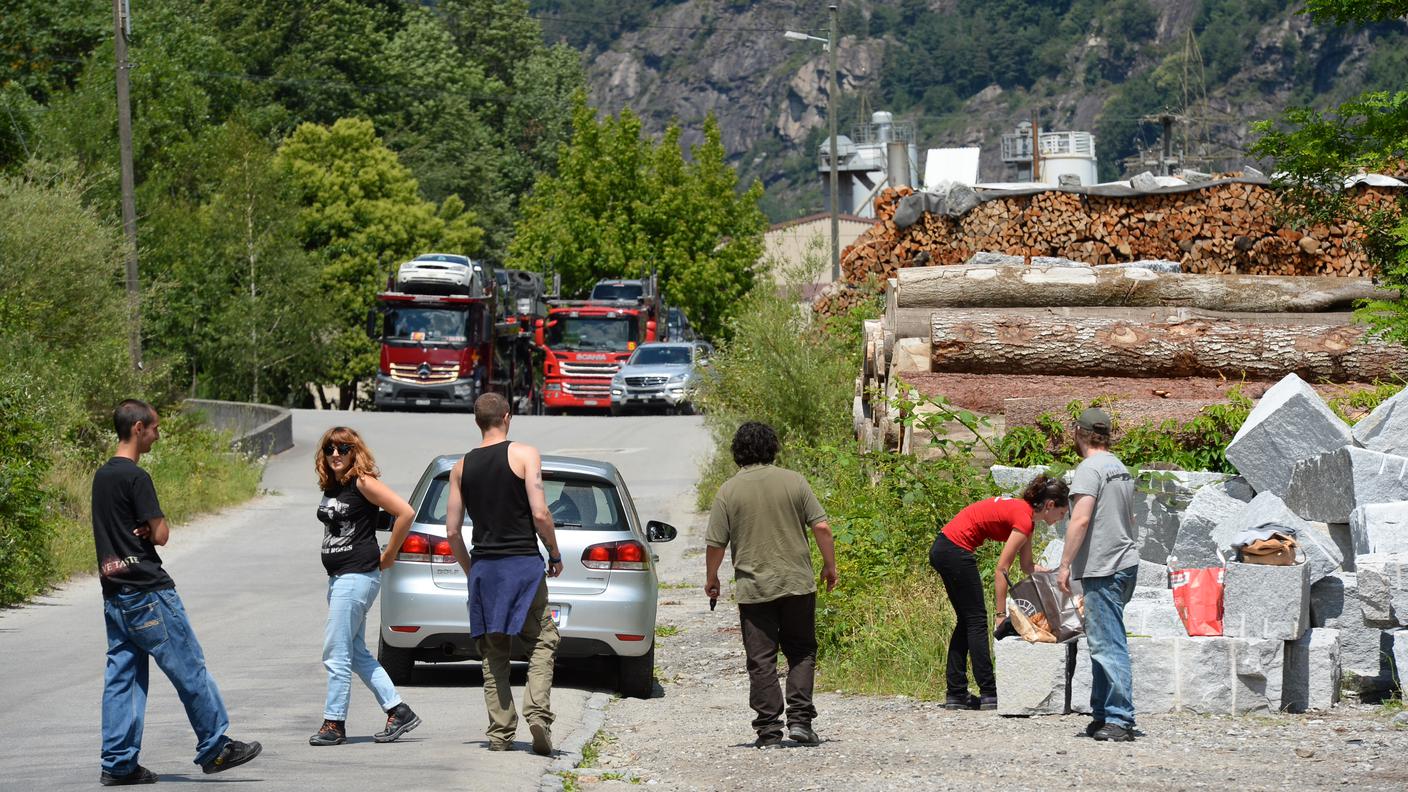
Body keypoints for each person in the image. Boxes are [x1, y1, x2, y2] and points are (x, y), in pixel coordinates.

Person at [93, 400, 262, 786]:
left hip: (114, 594)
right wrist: (148, 529)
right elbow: (162, 535)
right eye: (154, 428)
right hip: (148, 592)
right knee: (189, 667)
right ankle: (215, 746)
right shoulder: (137, 478)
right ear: (138, 428)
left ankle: (118, 763)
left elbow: (116, 528)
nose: (157, 434)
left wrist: (141, 528)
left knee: (123, 678)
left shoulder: (101, 477)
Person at [705, 422, 838, 748]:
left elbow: (715, 545)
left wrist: (712, 578)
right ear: (772, 449)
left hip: (755, 589)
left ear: (737, 452)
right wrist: (830, 566)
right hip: (797, 583)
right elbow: (821, 526)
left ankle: (768, 731)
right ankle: (801, 723)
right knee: (802, 651)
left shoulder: (728, 491)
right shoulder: (794, 481)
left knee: (761, 660)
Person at [445, 392, 563, 755]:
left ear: (477, 421)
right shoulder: (525, 454)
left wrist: (471, 569)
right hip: (523, 567)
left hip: (485, 570)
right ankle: (538, 714)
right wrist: (554, 553)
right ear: (507, 417)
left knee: (494, 651)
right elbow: (540, 513)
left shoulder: (461, 467)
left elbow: (451, 531)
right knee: (544, 639)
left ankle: (499, 734)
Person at [309, 427, 421, 746]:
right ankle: (398, 710)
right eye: (330, 448)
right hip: (341, 578)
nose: (335, 454)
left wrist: (389, 553)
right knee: (356, 652)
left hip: (357, 576)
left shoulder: (363, 482)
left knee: (336, 652)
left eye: (343, 449)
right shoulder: (333, 486)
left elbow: (405, 512)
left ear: (354, 451)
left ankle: (334, 724)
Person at [929, 475, 1071, 711]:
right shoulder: (1024, 519)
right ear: (1049, 505)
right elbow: (1001, 569)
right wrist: (1000, 612)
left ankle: (956, 693)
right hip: (954, 550)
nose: (1062, 518)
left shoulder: (1026, 518)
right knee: (976, 622)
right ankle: (989, 692)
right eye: (1062, 512)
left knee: (967, 622)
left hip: (945, 548)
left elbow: (1027, 566)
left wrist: (1055, 574)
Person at [1057, 407, 1139, 743]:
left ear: (1078, 432)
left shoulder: (1089, 469)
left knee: (1107, 644)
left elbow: (1080, 519)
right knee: (1102, 641)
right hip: (1126, 562)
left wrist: (1064, 565)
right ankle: (1102, 714)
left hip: (1103, 566)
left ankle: (1119, 718)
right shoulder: (1119, 467)